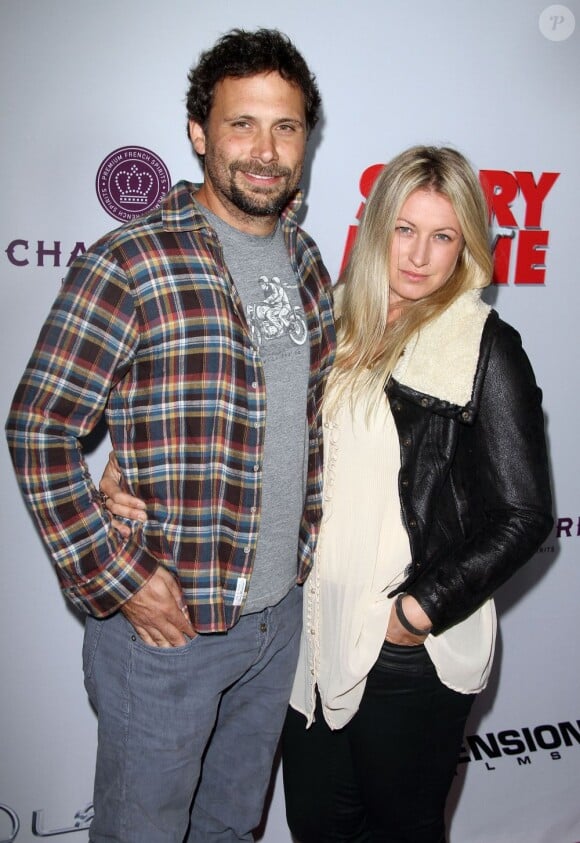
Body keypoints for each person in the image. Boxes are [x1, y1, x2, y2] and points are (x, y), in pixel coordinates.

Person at [6, 28, 335, 843]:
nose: (265, 150)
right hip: (168, 633)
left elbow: (310, 420)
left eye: (285, 127)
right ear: (199, 133)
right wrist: (117, 576)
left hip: (276, 621)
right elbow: (39, 424)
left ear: (306, 140)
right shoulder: (131, 260)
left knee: (230, 829)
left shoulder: (307, 260)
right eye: (241, 124)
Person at [279, 145, 553, 842]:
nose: (420, 255)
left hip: (406, 651)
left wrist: (416, 612)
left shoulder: (485, 346)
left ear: (467, 245)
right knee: (319, 826)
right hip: (311, 636)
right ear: (376, 228)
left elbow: (524, 514)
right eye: (405, 229)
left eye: (443, 236)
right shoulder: (332, 322)